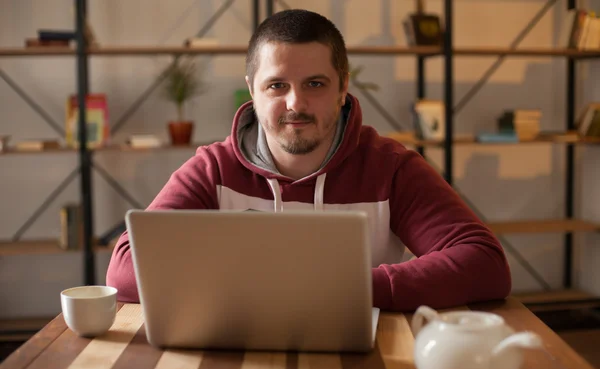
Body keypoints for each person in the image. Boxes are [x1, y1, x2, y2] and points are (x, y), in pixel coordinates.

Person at [106, 9, 511, 311]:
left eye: (314, 84)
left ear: (342, 86)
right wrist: (268, 288)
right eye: (277, 85)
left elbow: (485, 263)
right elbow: (124, 270)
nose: (295, 103)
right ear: (252, 89)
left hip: (365, 361)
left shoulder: (392, 168)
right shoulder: (213, 169)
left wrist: (342, 289)